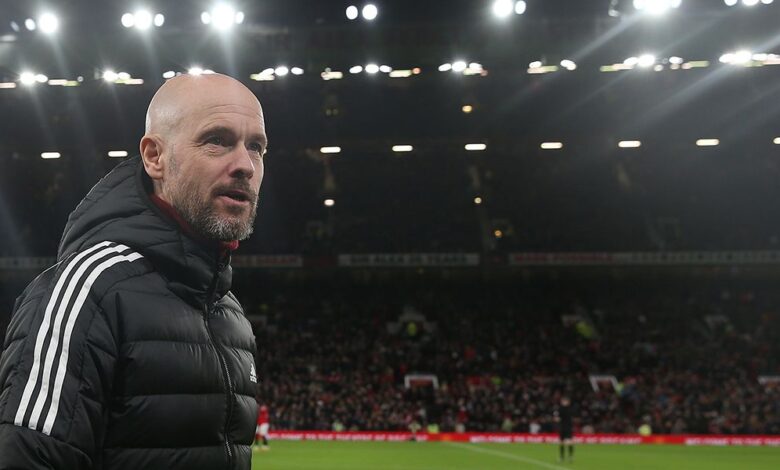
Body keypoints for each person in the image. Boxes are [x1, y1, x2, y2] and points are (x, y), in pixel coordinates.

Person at [0, 73, 267, 469]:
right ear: (154, 157)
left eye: (257, 147)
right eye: (218, 140)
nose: (245, 164)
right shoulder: (89, 289)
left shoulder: (230, 312)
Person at [555, 396, 575, 463]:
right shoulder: (560, 409)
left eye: (565, 401)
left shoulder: (570, 409)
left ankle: (570, 457)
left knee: (569, 442)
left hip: (568, 428)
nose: (563, 402)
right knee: (561, 443)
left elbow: (557, 418)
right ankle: (561, 457)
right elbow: (557, 418)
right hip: (562, 428)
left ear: (568, 402)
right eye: (563, 401)